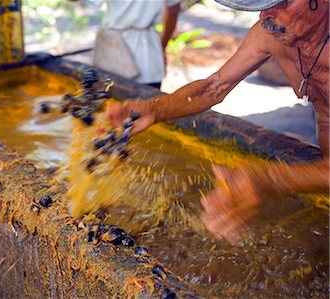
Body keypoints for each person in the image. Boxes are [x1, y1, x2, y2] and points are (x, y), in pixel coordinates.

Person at [106, 0, 329, 245]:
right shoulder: (269, 35)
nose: (266, 14)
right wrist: (154, 109)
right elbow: (214, 87)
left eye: (283, 1)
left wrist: (270, 178)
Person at [91, 0, 181, 89]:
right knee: (149, 99)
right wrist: (162, 47)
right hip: (148, 59)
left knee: (108, 95)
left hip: (113, 49)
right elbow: (173, 12)